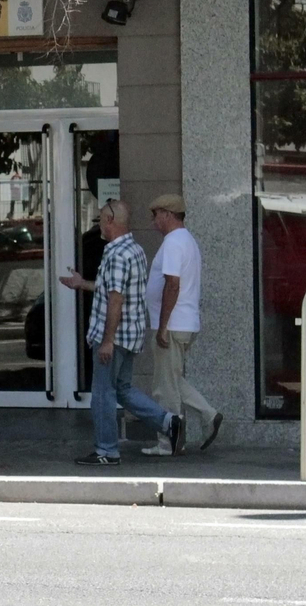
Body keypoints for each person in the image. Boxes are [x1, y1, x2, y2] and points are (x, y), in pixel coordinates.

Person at [59, 200, 183, 466]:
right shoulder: (135, 249)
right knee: (123, 390)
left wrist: (107, 341)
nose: (100, 225)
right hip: (131, 335)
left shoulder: (116, 254)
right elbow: (113, 289)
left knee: (103, 393)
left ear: (110, 221)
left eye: (102, 219)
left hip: (115, 338)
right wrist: (82, 284)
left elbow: (115, 299)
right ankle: (169, 422)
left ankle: (107, 450)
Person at [141, 194, 222, 456]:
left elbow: (172, 284)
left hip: (173, 325)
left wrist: (162, 326)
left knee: (164, 387)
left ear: (167, 214)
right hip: (183, 323)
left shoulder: (174, 243)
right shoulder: (187, 241)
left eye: (156, 215)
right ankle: (210, 415)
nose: (154, 222)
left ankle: (168, 442)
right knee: (173, 379)